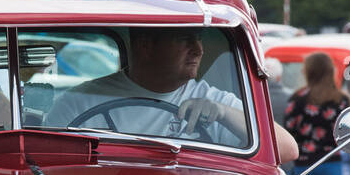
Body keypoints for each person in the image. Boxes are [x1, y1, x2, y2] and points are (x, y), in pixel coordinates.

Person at [45, 27, 248, 145]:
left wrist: (222, 113)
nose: (198, 50)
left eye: (199, 39)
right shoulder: (78, 102)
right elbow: (45, 161)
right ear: (145, 45)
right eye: (185, 39)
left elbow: (279, 147)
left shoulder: (212, 102)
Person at [283, 51, 350, 175]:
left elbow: (289, 131)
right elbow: (347, 133)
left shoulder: (297, 99)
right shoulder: (341, 100)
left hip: (305, 165)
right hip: (330, 163)